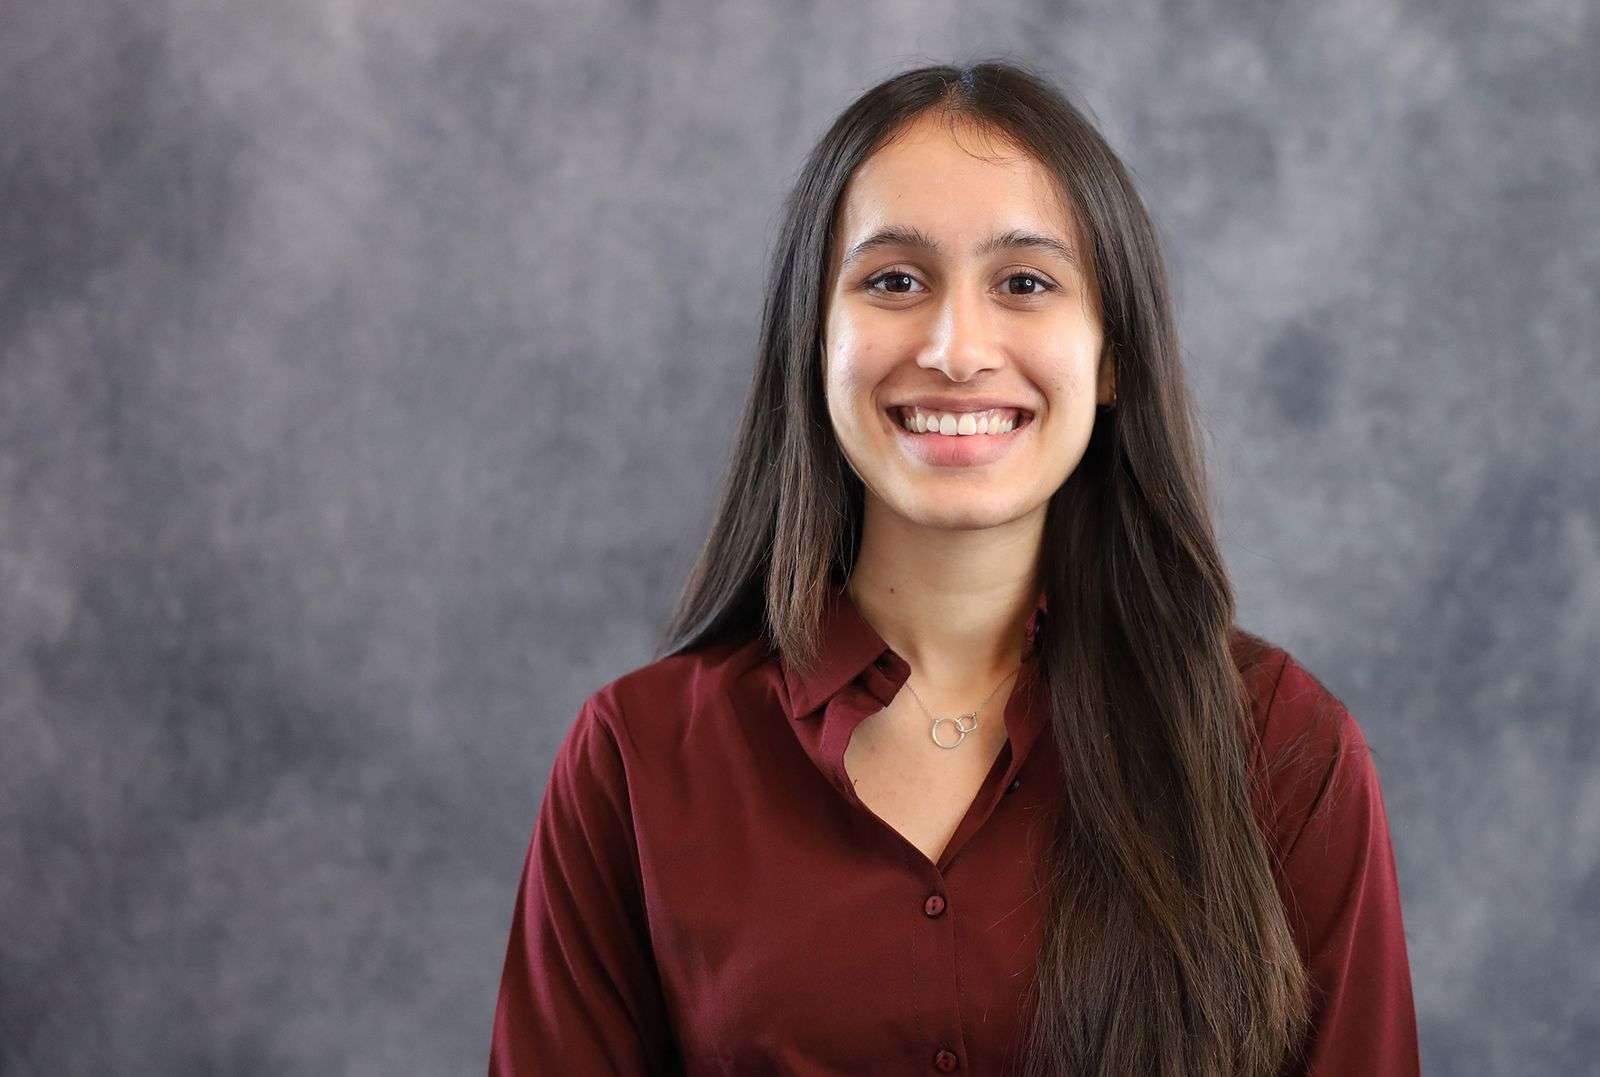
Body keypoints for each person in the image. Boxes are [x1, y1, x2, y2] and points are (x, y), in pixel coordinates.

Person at [490, 60, 1420, 1076]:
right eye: (893, 280)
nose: (954, 347)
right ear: (813, 341)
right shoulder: (638, 759)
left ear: (1112, 356)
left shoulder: (1280, 746)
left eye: (1025, 283)